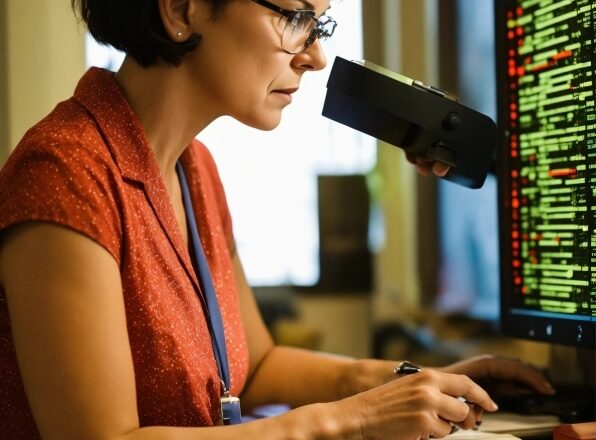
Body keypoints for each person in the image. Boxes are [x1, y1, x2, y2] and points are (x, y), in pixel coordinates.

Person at [0, 0, 554, 439]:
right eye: (293, 18)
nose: (314, 57)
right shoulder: (64, 171)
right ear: (179, 10)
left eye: (321, 23)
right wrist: (351, 422)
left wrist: (417, 383)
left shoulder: (194, 170)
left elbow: (254, 367)